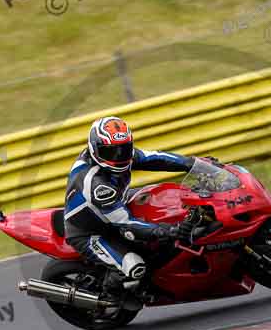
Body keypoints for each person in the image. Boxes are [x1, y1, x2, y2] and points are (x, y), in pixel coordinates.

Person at [64, 116, 195, 298]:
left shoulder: (121, 154)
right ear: (95, 149)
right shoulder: (97, 185)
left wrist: (191, 163)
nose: (119, 157)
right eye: (112, 152)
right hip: (90, 232)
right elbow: (125, 224)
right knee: (134, 266)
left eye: (124, 149)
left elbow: (154, 158)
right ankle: (110, 296)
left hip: (115, 208)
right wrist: (169, 231)